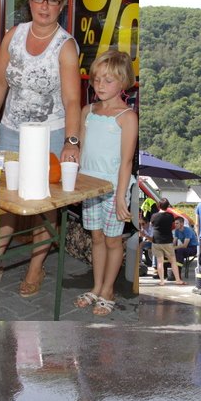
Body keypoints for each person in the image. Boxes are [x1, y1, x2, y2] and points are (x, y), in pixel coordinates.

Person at [0, 0, 80, 297]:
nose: (45, 6)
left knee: (43, 206)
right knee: (5, 202)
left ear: (62, 5)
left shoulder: (65, 46)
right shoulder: (14, 35)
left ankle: (36, 267)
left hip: (49, 137)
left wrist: (71, 142)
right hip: (10, 131)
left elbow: (72, 100)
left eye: (52, 1)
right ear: (30, 0)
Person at [72, 49, 138, 315]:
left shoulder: (127, 117)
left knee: (113, 240)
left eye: (108, 80)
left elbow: (126, 161)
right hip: (89, 187)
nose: (100, 85)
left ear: (123, 82)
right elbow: (80, 151)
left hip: (113, 189)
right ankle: (97, 286)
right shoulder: (87, 111)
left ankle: (108, 290)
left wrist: (121, 197)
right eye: (97, 79)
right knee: (96, 237)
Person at [149, 199, 186, 286]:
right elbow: (173, 226)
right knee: (173, 261)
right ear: (168, 206)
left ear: (159, 206)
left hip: (156, 241)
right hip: (168, 241)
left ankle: (162, 281)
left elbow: (151, 225)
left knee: (160, 262)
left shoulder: (154, 216)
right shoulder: (170, 216)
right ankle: (178, 280)